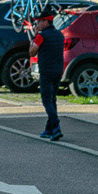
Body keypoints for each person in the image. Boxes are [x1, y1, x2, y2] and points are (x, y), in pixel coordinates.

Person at [29, 7, 64, 140]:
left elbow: (32, 52)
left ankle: (55, 126)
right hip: (58, 70)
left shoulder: (41, 36)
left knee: (46, 100)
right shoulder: (60, 35)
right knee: (53, 99)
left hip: (46, 71)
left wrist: (34, 37)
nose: (37, 24)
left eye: (39, 22)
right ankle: (48, 129)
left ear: (46, 22)